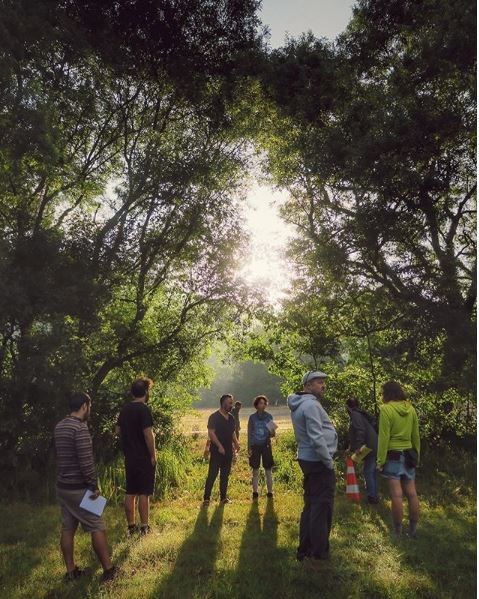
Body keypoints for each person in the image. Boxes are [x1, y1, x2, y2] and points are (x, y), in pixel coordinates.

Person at [54, 392, 116, 582]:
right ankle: (108, 570)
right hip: (80, 488)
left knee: (68, 528)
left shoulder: (60, 426)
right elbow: (86, 462)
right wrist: (93, 486)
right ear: (84, 406)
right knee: (97, 525)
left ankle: (71, 572)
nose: (90, 409)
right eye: (90, 406)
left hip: (63, 487)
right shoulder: (79, 429)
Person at [287, 371, 338, 566]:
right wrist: (328, 461)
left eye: (324, 382)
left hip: (308, 459)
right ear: (307, 386)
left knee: (311, 505)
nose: (323, 385)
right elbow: (316, 437)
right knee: (321, 507)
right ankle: (318, 553)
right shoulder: (310, 405)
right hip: (318, 461)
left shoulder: (301, 403)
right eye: (319, 382)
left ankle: (305, 549)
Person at [377, 381, 420, 539]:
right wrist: (417, 456)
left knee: (396, 495)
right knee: (412, 494)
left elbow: (384, 438)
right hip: (409, 455)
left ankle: (398, 532)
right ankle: (413, 531)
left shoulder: (386, 410)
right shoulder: (411, 409)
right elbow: (416, 436)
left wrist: (380, 460)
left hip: (393, 456)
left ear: (387, 393)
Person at [116, 378, 156, 536]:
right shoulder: (143, 409)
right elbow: (148, 434)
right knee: (144, 493)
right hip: (143, 457)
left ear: (132, 392)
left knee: (130, 492)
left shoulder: (124, 409)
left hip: (129, 457)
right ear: (146, 392)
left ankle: (131, 527)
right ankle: (144, 527)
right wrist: (153, 455)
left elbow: (117, 431)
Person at [203, 394, 240, 505]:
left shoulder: (231, 418)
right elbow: (211, 432)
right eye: (229, 403)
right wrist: (219, 446)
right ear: (223, 403)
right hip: (216, 451)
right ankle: (206, 499)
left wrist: (236, 443)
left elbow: (232, 432)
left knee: (225, 475)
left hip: (228, 451)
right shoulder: (214, 417)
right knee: (212, 475)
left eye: (231, 403)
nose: (231, 405)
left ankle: (223, 498)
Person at [346, 398, 379, 504]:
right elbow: (355, 433)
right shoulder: (359, 414)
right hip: (373, 444)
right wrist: (351, 447)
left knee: (368, 472)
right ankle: (373, 494)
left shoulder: (355, 415)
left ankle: (372, 497)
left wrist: (358, 447)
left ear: (348, 407)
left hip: (368, 447)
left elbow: (360, 431)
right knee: (371, 471)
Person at [248, 395, 275, 500]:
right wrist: (249, 447)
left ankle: (270, 492)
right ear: (256, 405)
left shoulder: (269, 417)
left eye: (264, 403)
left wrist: (272, 431)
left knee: (268, 470)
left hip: (266, 445)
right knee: (255, 470)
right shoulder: (252, 418)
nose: (262, 405)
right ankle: (255, 493)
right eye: (260, 403)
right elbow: (250, 433)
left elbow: (273, 434)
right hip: (255, 446)